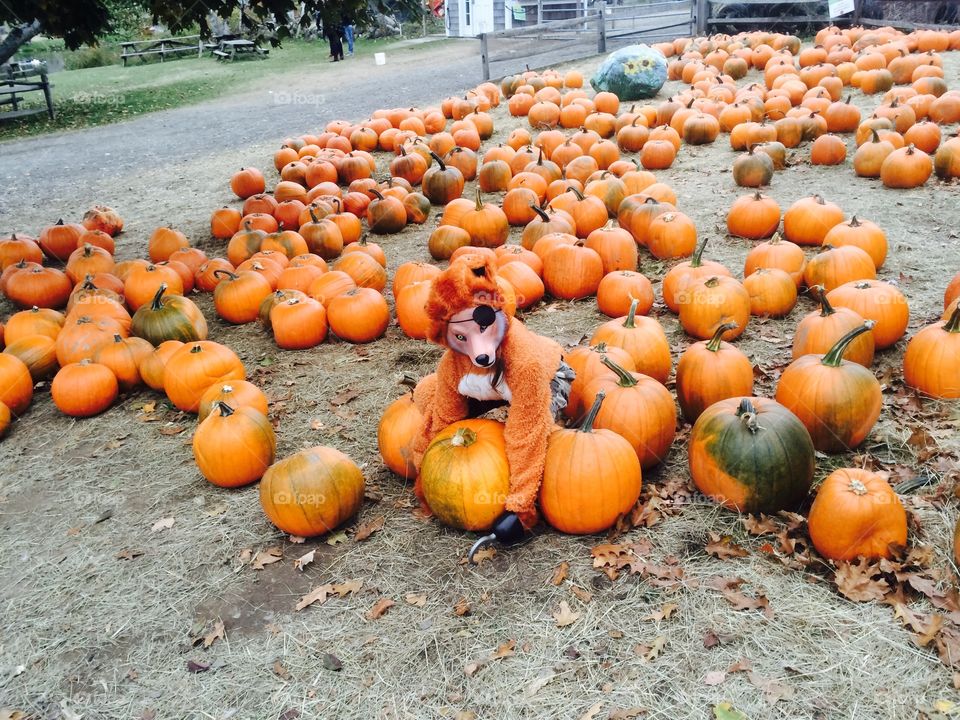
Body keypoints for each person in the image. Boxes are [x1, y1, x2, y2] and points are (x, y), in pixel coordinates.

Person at [410, 255, 574, 556]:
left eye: (483, 326)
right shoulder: (453, 364)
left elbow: (526, 434)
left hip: (544, 378)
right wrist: (427, 470)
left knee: (538, 436)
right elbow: (444, 420)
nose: (478, 349)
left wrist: (519, 508)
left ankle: (535, 473)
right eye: (461, 336)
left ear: (499, 313)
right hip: (485, 386)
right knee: (427, 393)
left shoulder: (526, 362)